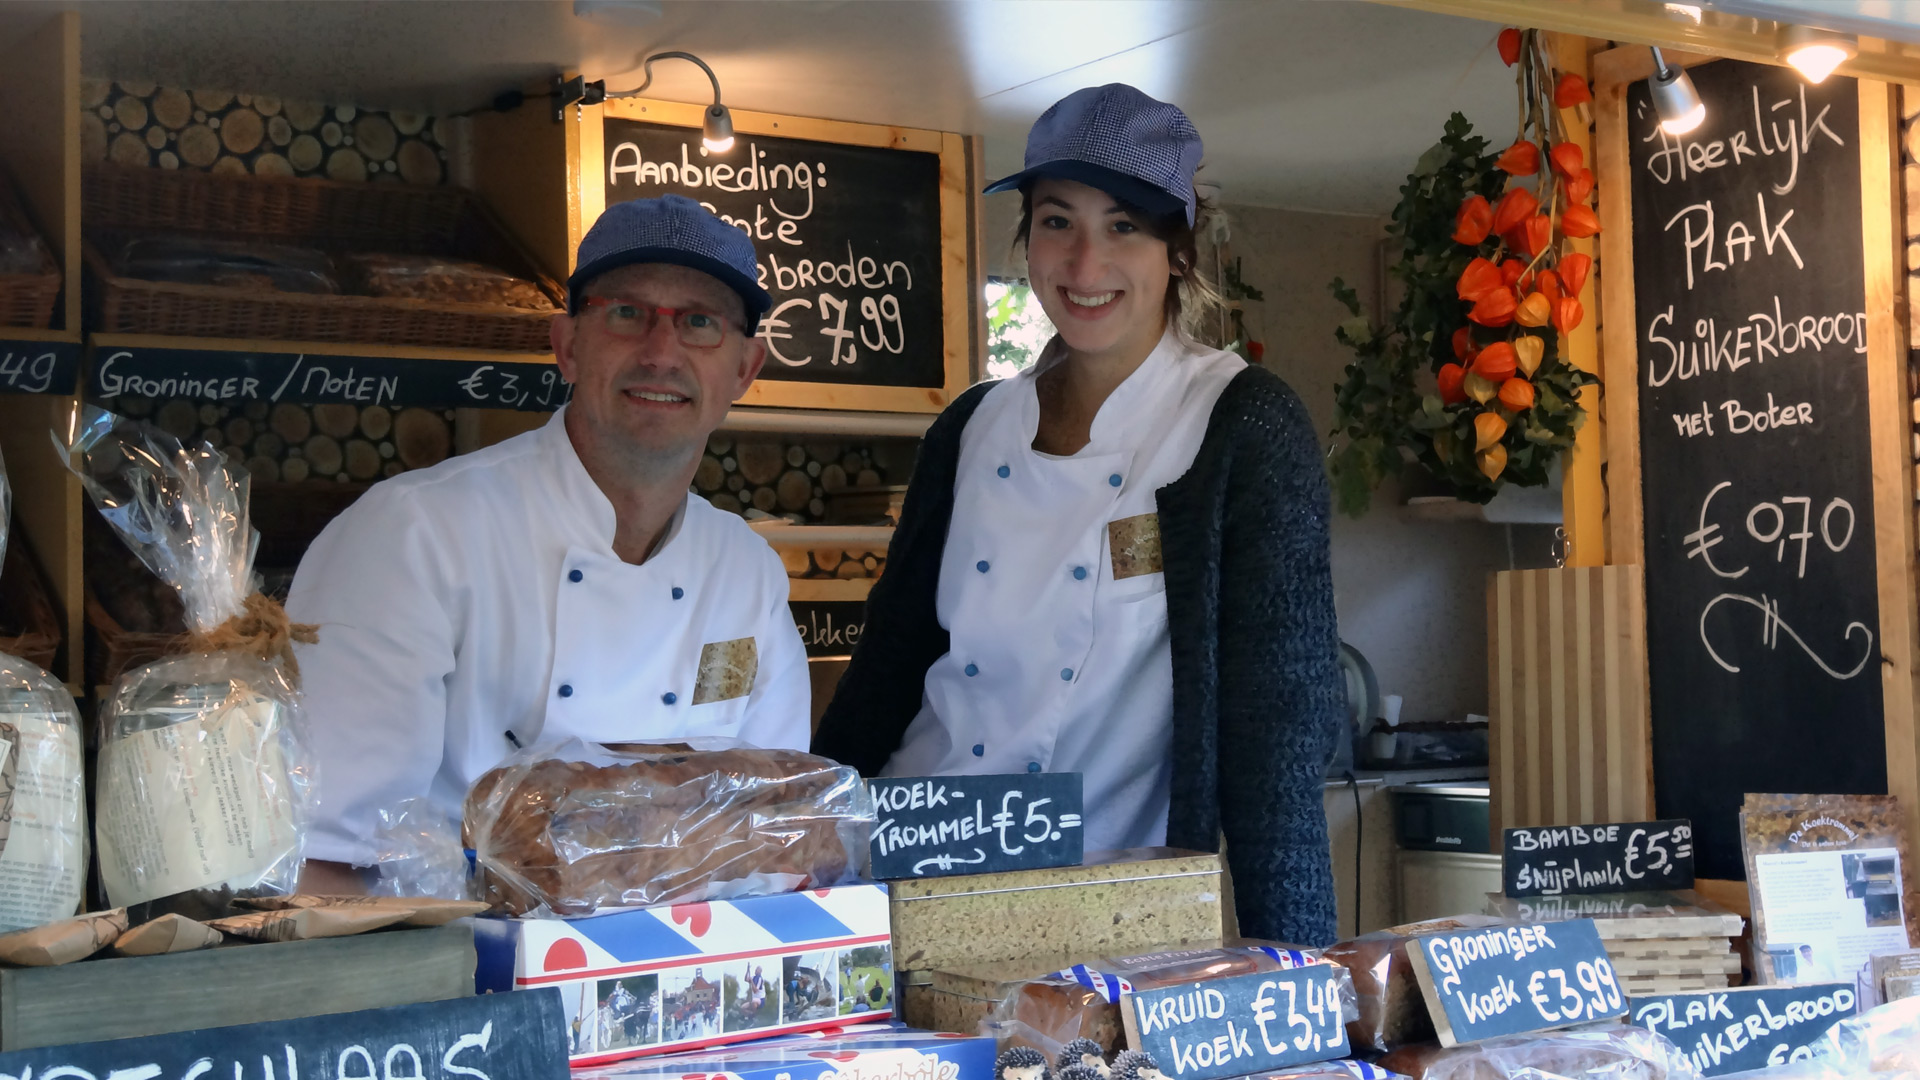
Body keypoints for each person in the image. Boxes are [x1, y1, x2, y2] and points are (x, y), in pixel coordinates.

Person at [811, 84, 1343, 945]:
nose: (1085, 262)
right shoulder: (971, 426)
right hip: (909, 874)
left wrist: (1301, 979)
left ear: (1178, 249)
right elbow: (885, 676)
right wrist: (798, 871)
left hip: (1106, 913)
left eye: (1123, 225)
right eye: (1057, 221)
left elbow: (1275, 740)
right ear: (1027, 238)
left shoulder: (1238, 423)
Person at [290, 195, 810, 889]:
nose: (661, 353)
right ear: (567, 347)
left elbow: (772, 836)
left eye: (700, 323)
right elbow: (328, 860)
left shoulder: (746, 575)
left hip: (693, 952)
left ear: (745, 369)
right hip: (462, 950)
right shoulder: (413, 536)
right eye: (625, 313)